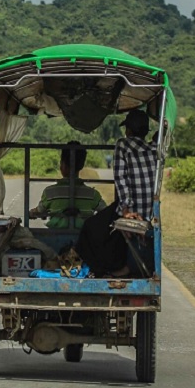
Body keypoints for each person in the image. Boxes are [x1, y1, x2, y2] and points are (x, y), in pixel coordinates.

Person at [75, 109, 158, 277]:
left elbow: (120, 177)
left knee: (91, 226)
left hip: (130, 209)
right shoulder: (155, 148)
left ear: (129, 130)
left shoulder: (123, 144)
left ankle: (97, 268)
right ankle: (123, 266)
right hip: (149, 212)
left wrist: (126, 209)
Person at [28, 141, 105, 229]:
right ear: (82, 165)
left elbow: (39, 211)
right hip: (84, 239)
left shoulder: (49, 192)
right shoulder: (93, 194)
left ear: (62, 165)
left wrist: (31, 213)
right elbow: (105, 212)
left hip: (54, 238)